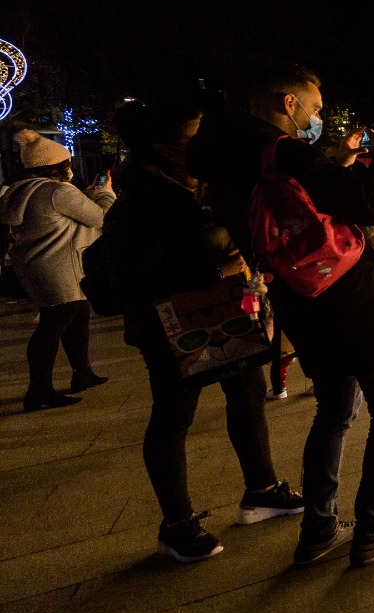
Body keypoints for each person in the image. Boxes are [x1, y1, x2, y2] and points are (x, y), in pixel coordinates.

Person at [188, 63, 374, 568]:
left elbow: (300, 198)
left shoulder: (234, 158)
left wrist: (335, 159)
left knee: (334, 412)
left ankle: (320, 528)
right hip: (355, 301)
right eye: (315, 109)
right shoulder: (285, 150)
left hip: (304, 302)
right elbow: (373, 202)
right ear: (288, 103)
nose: (317, 117)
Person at [98, 101, 304, 562]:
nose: (200, 145)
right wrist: (212, 268)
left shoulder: (199, 185)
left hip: (224, 313)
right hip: (168, 327)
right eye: (192, 136)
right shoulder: (137, 204)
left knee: (248, 392)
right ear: (163, 147)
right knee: (174, 415)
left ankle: (262, 490)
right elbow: (130, 281)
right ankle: (176, 525)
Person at [0, 129, 115, 411]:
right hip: (60, 266)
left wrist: (88, 195)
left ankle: (82, 373)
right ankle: (39, 390)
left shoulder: (22, 190)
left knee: (76, 314)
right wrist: (104, 193)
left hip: (38, 265)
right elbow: (100, 217)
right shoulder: (58, 191)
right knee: (54, 322)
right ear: (59, 166)